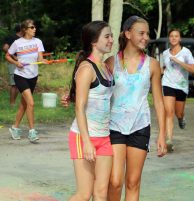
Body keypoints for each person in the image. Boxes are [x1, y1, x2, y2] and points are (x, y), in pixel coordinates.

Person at [61, 16, 167, 201]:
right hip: (112, 128)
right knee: (114, 182)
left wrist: (163, 135)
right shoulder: (110, 63)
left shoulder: (151, 65)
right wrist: (72, 97)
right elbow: (91, 90)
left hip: (139, 126)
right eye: (141, 33)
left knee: (130, 182)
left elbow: (158, 101)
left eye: (147, 33)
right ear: (128, 34)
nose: (146, 37)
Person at [68, 21, 114, 201]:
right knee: (84, 194)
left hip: (104, 137)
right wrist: (86, 142)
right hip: (83, 137)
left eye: (111, 36)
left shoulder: (106, 67)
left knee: (101, 193)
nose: (111, 40)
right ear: (94, 42)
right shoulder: (87, 68)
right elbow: (79, 107)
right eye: (107, 36)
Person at [5, 19, 47, 142]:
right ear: (25, 30)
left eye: (35, 27)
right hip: (20, 76)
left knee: (24, 105)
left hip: (33, 76)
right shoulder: (17, 43)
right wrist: (16, 62)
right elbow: (7, 55)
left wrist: (43, 61)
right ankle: (32, 132)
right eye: (32, 27)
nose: (35, 29)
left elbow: (40, 58)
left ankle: (14, 128)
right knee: (31, 103)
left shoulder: (38, 41)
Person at [160, 28, 194, 152]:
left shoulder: (186, 52)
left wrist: (179, 61)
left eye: (176, 36)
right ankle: (169, 140)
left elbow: (193, 69)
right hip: (168, 83)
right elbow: (163, 68)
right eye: (171, 36)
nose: (174, 38)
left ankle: (181, 119)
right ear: (169, 38)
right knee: (168, 112)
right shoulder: (165, 53)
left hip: (181, 85)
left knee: (178, 113)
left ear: (180, 38)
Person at [2, 24, 22, 106]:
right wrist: (14, 56)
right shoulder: (13, 37)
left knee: (18, 84)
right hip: (13, 63)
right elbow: (5, 48)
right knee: (14, 84)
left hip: (21, 64)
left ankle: (13, 103)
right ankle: (12, 104)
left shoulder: (23, 39)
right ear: (21, 29)